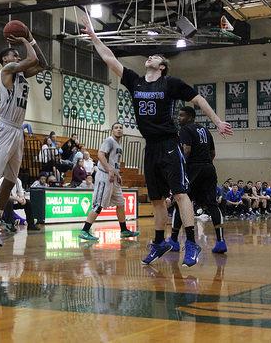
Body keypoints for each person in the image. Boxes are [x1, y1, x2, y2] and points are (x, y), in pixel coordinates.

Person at [81, 16, 233, 267]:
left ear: (162, 66)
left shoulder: (170, 83)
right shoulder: (135, 81)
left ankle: (192, 243)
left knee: (182, 194)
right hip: (150, 147)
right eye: (149, 57)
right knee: (156, 201)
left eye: (155, 57)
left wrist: (216, 121)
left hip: (169, 144)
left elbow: (198, 100)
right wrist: (95, 38)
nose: (149, 58)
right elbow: (110, 58)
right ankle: (160, 242)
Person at [0, 29, 48, 247]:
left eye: (13, 55)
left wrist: (32, 39)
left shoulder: (22, 74)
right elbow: (32, 58)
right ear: (5, 61)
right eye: (9, 56)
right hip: (3, 127)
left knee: (11, 180)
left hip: (17, 130)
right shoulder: (7, 70)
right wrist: (24, 38)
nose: (12, 58)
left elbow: (42, 63)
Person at [169, 106, 226, 254]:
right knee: (213, 204)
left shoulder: (185, 129)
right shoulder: (205, 131)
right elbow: (213, 153)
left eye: (182, 116)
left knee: (180, 202)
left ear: (190, 117)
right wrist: (205, 162)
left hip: (193, 169)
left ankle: (174, 241)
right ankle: (220, 242)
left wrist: (181, 167)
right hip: (209, 168)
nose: (179, 118)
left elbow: (186, 150)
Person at [79, 123, 139, 241]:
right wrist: (109, 170)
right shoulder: (109, 140)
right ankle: (84, 230)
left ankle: (124, 230)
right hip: (104, 176)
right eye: (116, 128)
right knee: (98, 204)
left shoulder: (119, 145)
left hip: (113, 178)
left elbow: (114, 162)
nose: (119, 129)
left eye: (120, 128)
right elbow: (100, 155)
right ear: (112, 130)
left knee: (121, 203)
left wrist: (117, 174)